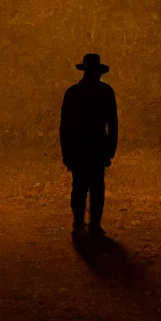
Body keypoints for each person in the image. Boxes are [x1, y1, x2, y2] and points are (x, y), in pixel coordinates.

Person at [60, 53, 117, 236]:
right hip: (97, 147)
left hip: (79, 147)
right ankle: (93, 224)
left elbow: (65, 127)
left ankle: (79, 224)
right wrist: (110, 150)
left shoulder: (73, 93)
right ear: (99, 72)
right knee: (96, 187)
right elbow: (113, 124)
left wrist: (67, 154)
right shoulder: (106, 92)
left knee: (80, 187)